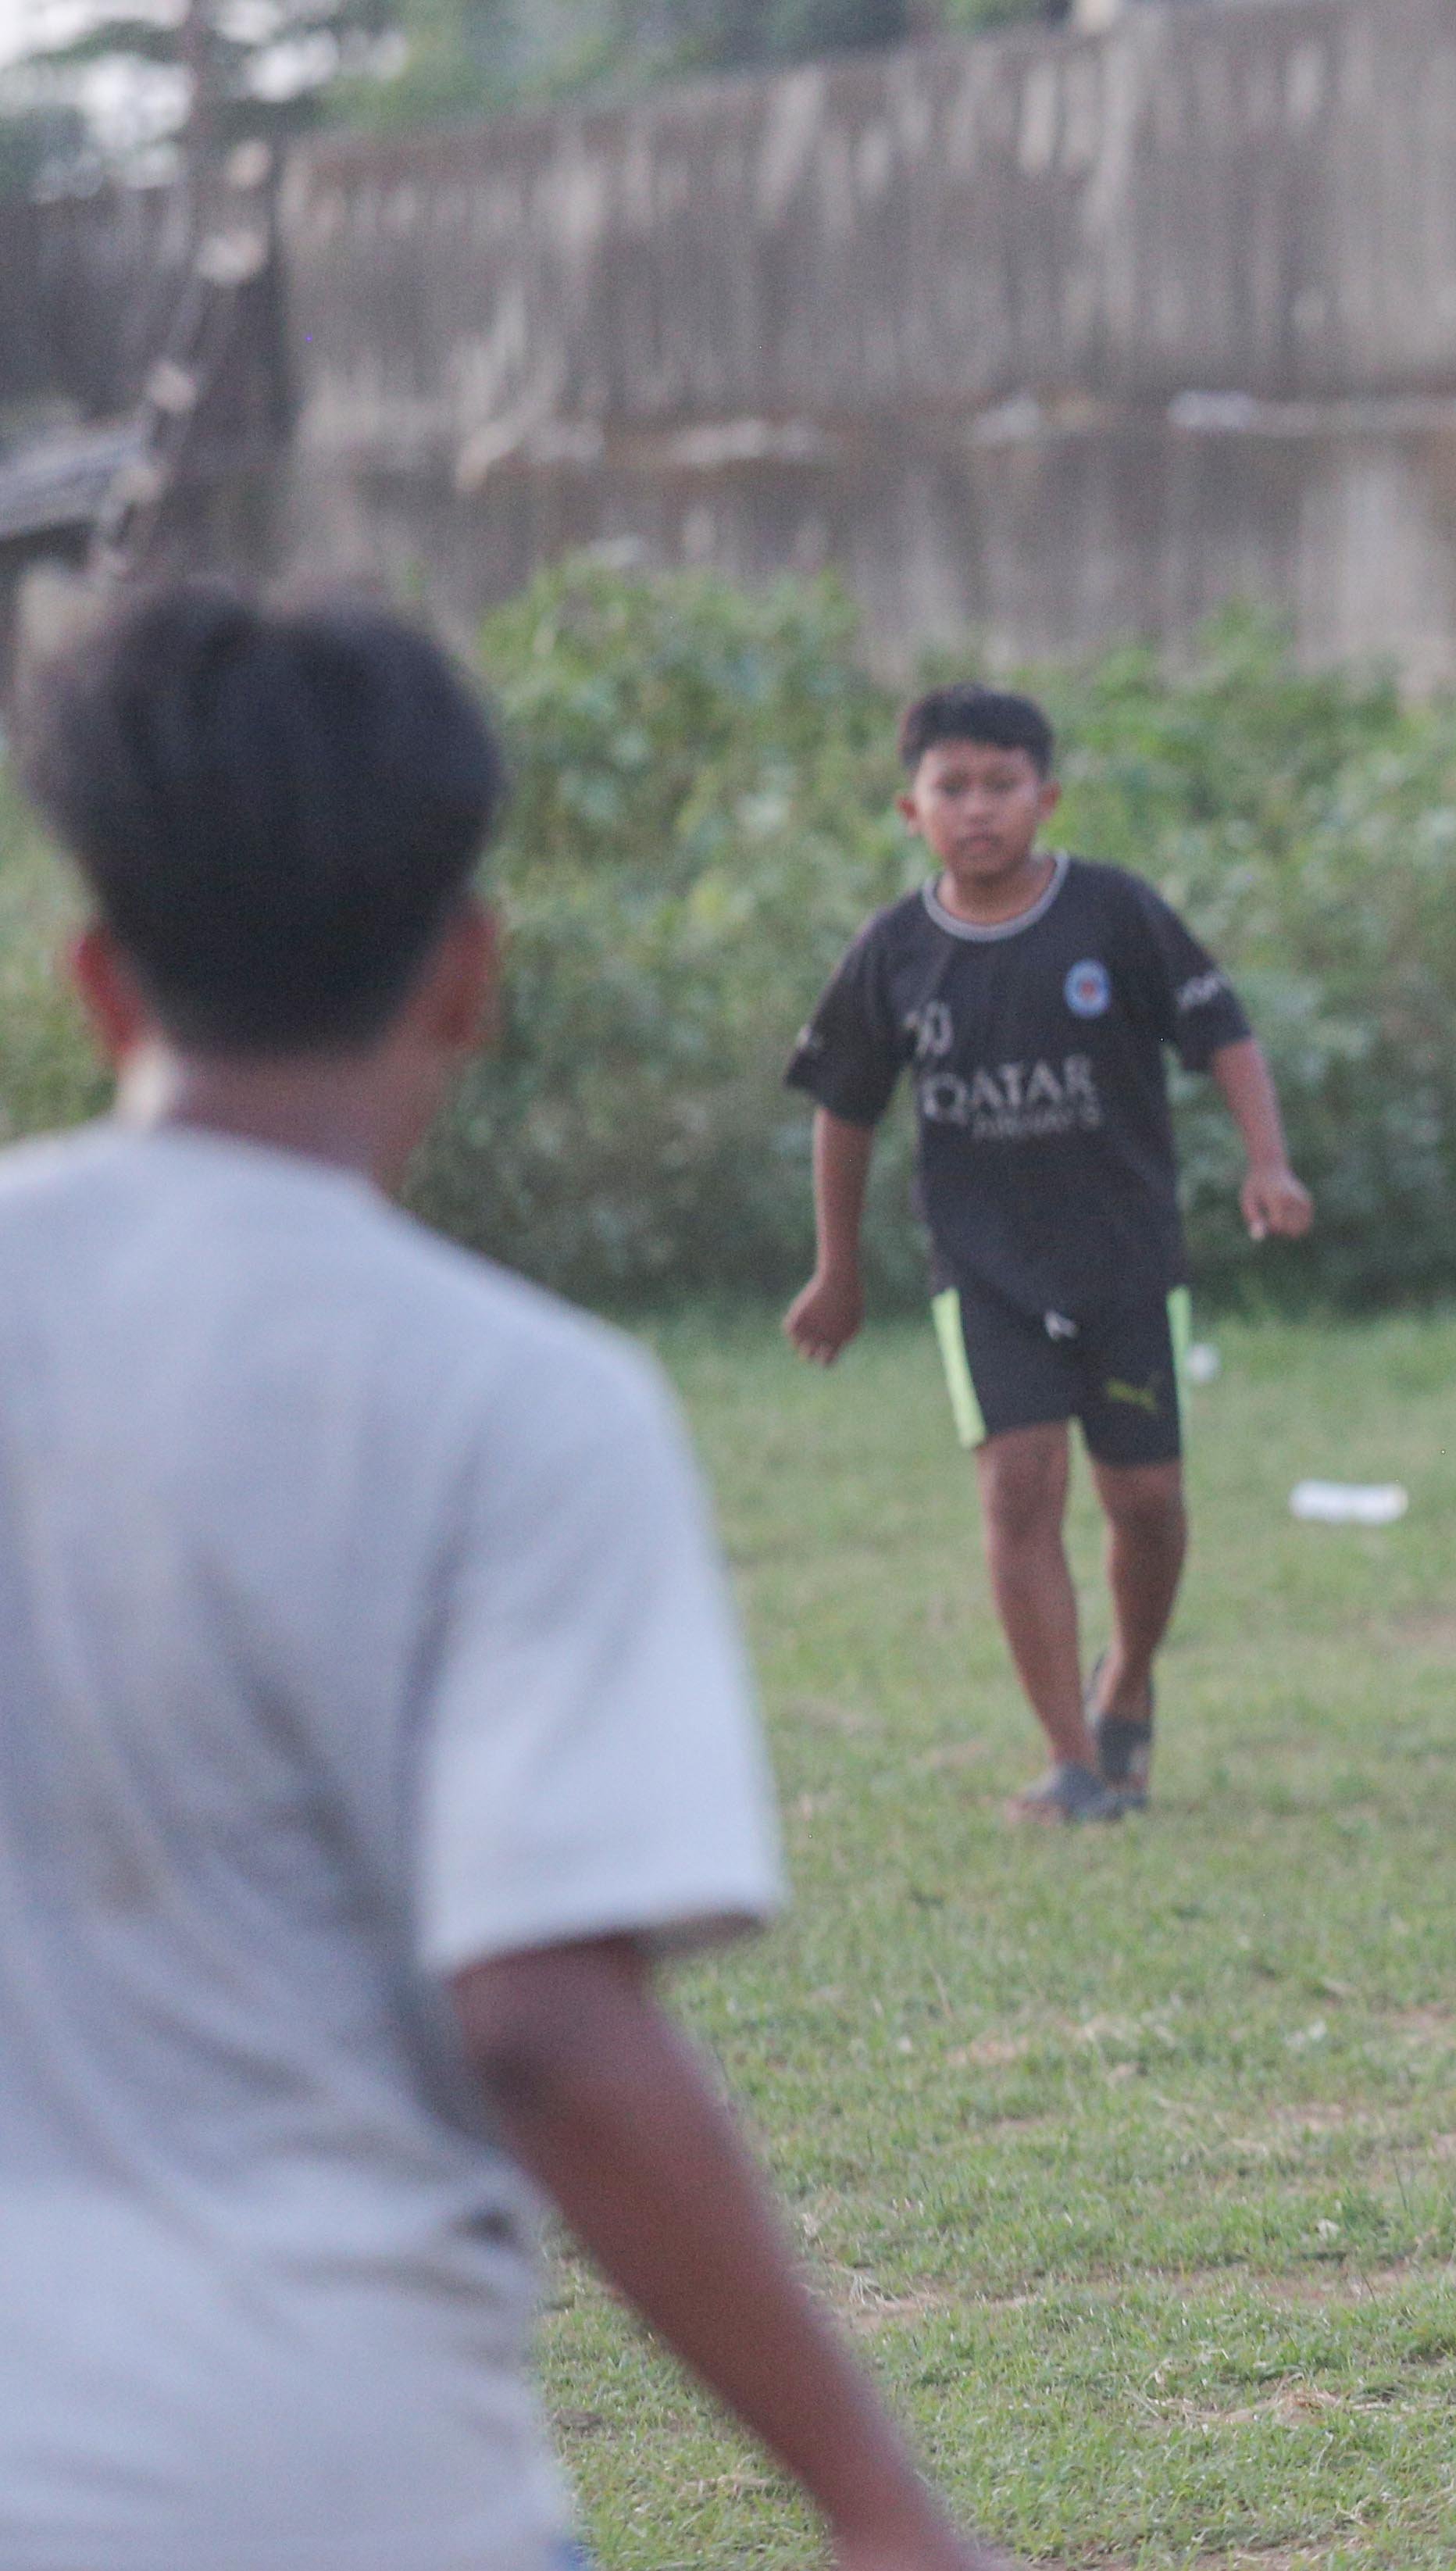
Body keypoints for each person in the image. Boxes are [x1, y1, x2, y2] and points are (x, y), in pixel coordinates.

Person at [0, 584, 988, 2571]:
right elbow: (541, 2021)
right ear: (469, 971)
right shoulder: (519, 1404)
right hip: (329, 2478)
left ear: (97, 981)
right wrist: (883, 2509)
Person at [782, 685, 1311, 1823]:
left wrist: (1267, 1162)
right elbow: (844, 1108)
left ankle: (1127, 1676)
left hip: (1124, 1265)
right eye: (952, 790)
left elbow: (1222, 1032)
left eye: (1002, 787)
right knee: (1019, 1496)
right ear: (909, 810)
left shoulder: (1113, 916)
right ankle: (1075, 1764)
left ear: (1047, 797)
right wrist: (837, 1268)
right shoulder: (894, 953)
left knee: (1149, 1500)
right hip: (985, 1279)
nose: (979, 811)